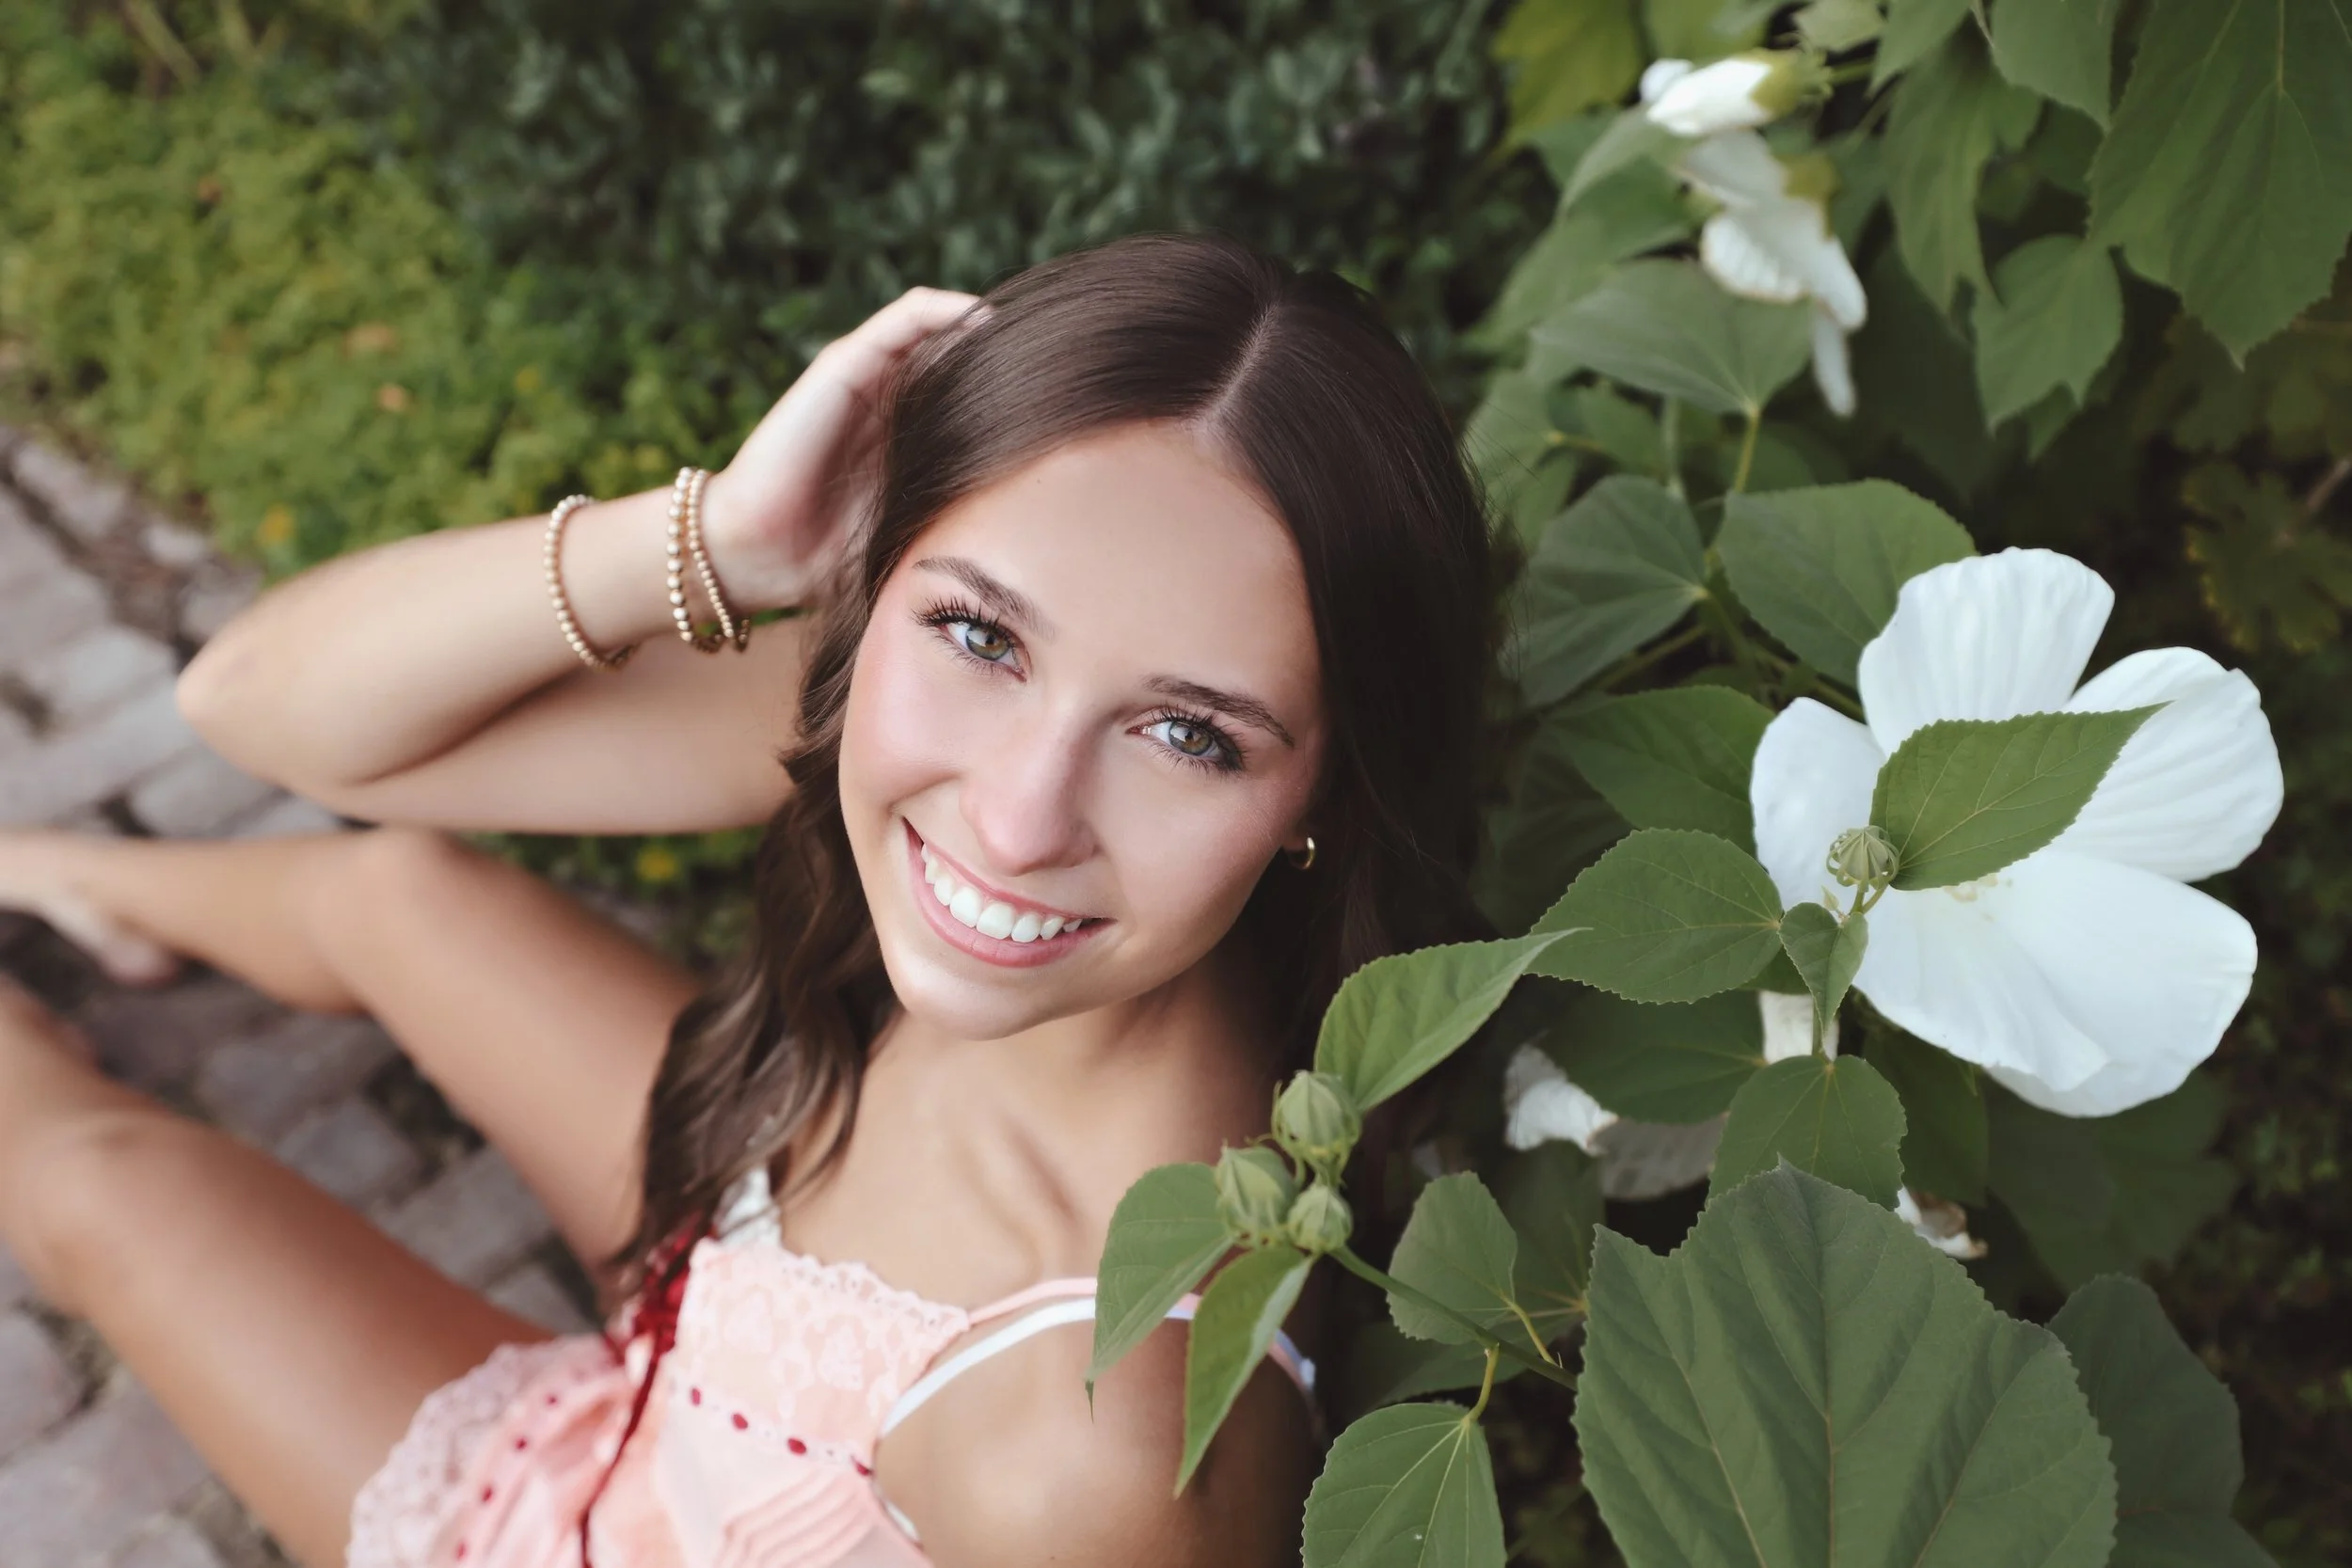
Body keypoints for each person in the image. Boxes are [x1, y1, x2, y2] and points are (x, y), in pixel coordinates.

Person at [0, 230, 1497, 1568]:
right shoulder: (907, 714)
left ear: (1324, 796)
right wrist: (724, 538)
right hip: (728, 1267)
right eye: (981, 631)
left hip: (632, 1512)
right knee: (399, 888)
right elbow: (260, 707)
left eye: (1190, 736)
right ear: (881, 577)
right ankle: (79, 884)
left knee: (102, 1186)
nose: (1017, 816)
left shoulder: (1093, 1460)